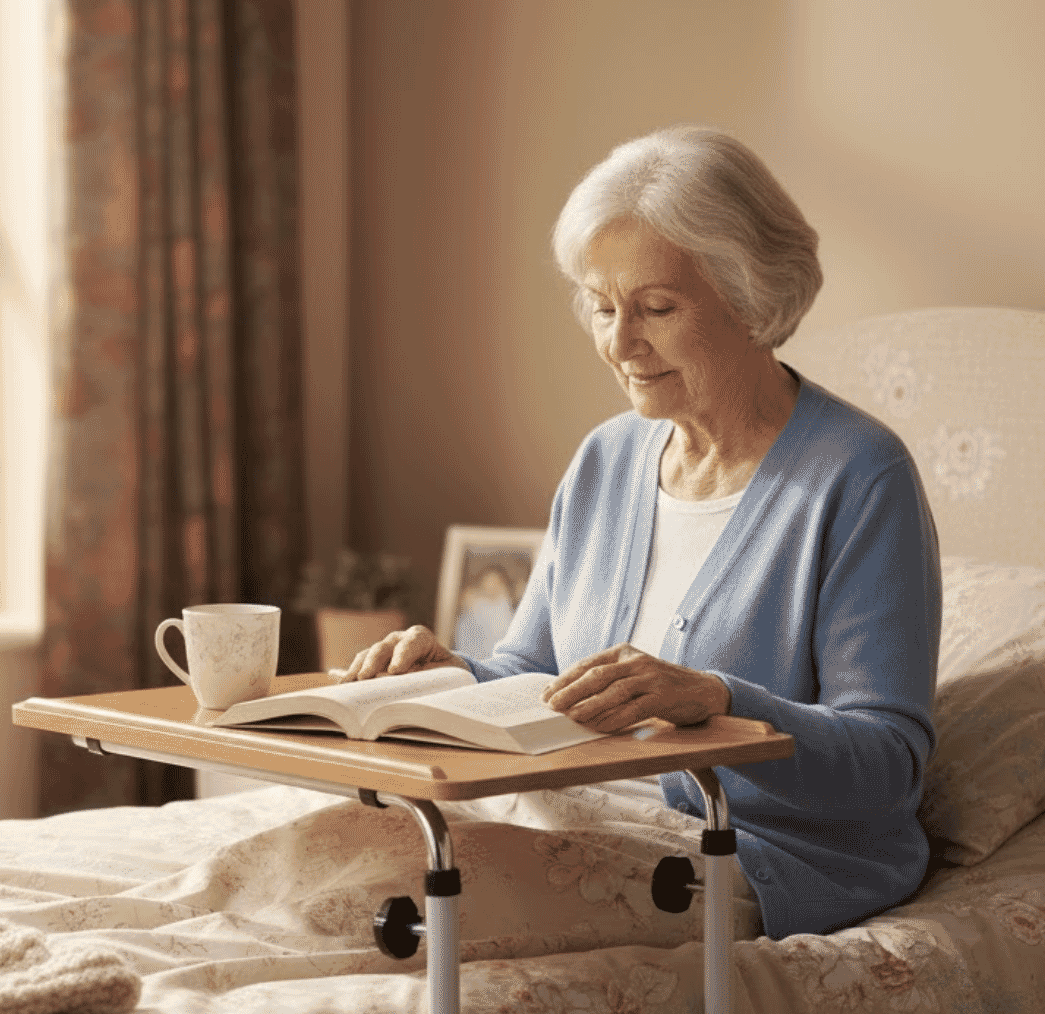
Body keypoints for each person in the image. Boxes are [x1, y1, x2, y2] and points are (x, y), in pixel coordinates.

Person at [342, 125, 941, 940]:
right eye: (601, 306)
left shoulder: (859, 476)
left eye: (656, 309)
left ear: (752, 299)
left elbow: (890, 766)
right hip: (566, 825)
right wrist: (450, 676)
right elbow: (534, 672)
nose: (620, 344)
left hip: (746, 856)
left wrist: (719, 704)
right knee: (322, 866)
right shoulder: (606, 458)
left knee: (399, 923)